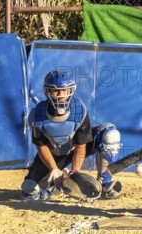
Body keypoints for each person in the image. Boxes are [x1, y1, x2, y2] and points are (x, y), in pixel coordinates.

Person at [21, 69, 123, 200]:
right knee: (29, 190)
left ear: (71, 90)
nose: (61, 95)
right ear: (47, 91)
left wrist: (75, 172)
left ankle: (105, 182)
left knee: (110, 134)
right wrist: (54, 169)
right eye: (55, 91)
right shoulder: (37, 114)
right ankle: (54, 182)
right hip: (53, 153)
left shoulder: (79, 110)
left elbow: (81, 145)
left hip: (74, 148)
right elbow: (41, 147)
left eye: (65, 90)